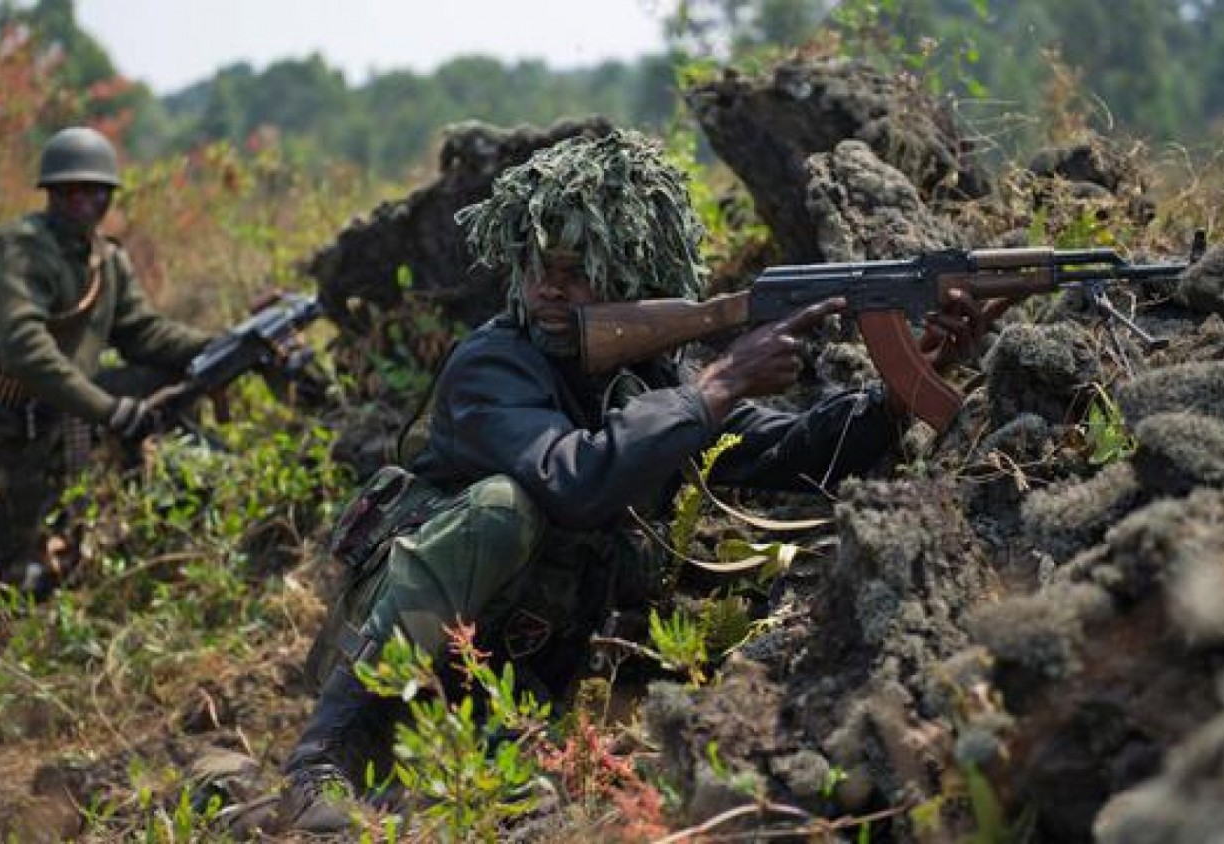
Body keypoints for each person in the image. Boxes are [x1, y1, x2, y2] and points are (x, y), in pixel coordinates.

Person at [237, 129, 990, 836]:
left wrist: (903, 388)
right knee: (504, 507)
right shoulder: (492, 366)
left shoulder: (648, 371)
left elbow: (779, 452)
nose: (549, 291)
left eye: (576, 273)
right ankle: (318, 761)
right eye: (537, 269)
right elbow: (574, 482)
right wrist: (718, 383)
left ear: (633, 279)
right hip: (399, 672)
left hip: (511, 689)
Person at [0, 125, 214, 616]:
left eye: (95, 190)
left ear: (109, 196)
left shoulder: (106, 261)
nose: (83, 201)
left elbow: (142, 333)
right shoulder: (22, 249)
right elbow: (26, 349)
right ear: (51, 194)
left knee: (57, 553)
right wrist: (108, 410)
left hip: (53, 420)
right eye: (69, 190)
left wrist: (216, 348)